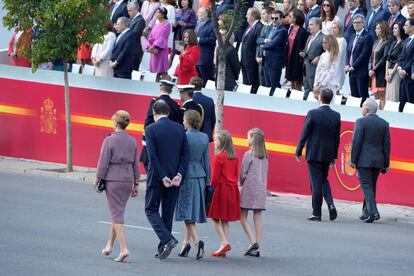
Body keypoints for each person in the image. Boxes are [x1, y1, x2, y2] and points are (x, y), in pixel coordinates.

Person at [144, 99, 190, 260]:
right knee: (167, 214)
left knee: (150, 209)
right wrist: (179, 175)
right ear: (169, 112)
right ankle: (163, 246)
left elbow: (153, 157)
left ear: (154, 112)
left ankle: (167, 240)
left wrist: (163, 176)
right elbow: (186, 155)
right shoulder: (179, 128)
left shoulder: (150, 129)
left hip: (157, 178)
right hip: (175, 178)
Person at [95, 110, 140, 262]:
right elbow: (135, 164)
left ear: (115, 122)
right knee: (118, 213)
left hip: (113, 179)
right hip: (127, 180)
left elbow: (103, 162)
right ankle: (109, 245)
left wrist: (97, 179)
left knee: (117, 214)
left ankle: (123, 248)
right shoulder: (132, 140)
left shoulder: (109, 140)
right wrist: (136, 183)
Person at [296, 88, 340, 221]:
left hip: (314, 153)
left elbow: (304, 134)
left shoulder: (313, 113)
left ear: (320, 98)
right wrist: (334, 156)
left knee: (315, 183)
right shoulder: (336, 115)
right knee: (323, 180)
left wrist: (299, 150)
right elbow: (337, 138)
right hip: (327, 154)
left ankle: (317, 212)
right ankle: (330, 204)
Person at [175, 110, 210, 260]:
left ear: (188, 121)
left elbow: (179, 158)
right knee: (191, 211)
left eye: (184, 119)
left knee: (185, 212)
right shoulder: (204, 137)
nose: (182, 122)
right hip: (200, 176)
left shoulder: (184, 136)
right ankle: (185, 245)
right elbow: (206, 161)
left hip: (187, 176)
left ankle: (197, 242)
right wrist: (207, 180)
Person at [350, 99, 390, 223]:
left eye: (363, 107)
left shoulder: (361, 122)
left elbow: (356, 143)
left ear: (367, 109)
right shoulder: (384, 123)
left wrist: (353, 160)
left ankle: (373, 212)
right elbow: (387, 145)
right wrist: (386, 163)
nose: (362, 109)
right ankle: (365, 212)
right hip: (378, 161)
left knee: (367, 187)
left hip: (364, 160)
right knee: (371, 187)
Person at [208, 130, 240, 257]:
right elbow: (236, 175)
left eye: (217, 140)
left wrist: (211, 189)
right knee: (225, 219)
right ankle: (223, 246)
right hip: (232, 189)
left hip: (221, 189)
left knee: (215, 218)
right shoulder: (235, 157)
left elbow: (214, 178)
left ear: (222, 142)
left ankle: (225, 242)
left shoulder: (219, 156)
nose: (215, 142)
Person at [141, 80, 182, 172]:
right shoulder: (175, 105)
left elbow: (149, 120)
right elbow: (179, 123)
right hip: (170, 139)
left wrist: (145, 139)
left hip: (155, 135)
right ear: (170, 91)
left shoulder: (155, 102)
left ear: (160, 88)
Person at [239, 128, 268, 258]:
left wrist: (241, 183)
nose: (247, 139)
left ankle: (253, 241)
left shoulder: (248, 154)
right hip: (261, 189)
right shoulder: (265, 156)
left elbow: (243, 173)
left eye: (248, 137)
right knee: (258, 217)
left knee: (242, 216)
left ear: (253, 139)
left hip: (250, 187)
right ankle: (258, 245)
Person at [345, 14, 373, 106]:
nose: (355, 24)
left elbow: (364, 54)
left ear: (363, 24)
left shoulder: (367, 36)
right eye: (354, 23)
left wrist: (354, 66)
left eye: (358, 22)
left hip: (361, 71)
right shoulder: (352, 36)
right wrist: (347, 64)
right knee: (354, 95)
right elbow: (348, 51)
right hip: (351, 71)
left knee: (362, 95)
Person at [259, 10, 288, 95]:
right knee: (267, 86)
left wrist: (263, 46)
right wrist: (265, 40)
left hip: (274, 62)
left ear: (281, 19)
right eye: (272, 18)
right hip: (266, 60)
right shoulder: (269, 27)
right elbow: (259, 39)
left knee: (274, 86)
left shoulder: (282, 30)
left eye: (276, 18)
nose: (274, 20)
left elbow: (273, 44)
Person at [300, 17, 324, 98]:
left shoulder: (323, 37)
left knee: (315, 93)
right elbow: (307, 50)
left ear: (318, 26)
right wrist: (303, 53)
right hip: (306, 68)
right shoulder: (310, 37)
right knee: (306, 90)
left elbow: (328, 52)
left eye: (311, 25)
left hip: (315, 70)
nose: (309, 26)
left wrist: (319, 58)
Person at [241, 7, 263, 94]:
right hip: (244, 59)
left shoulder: (259, 27)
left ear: (253, 16)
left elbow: (259, 43)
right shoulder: (249, 27)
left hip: (251, 60)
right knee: (246, 84)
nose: (246, 16)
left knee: (252, 84)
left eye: (248, 14)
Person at [369, 21, 390, 110]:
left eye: (378, 28)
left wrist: (374, 70)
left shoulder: (387, 42)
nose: (375, 30)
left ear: (383, 30)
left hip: (380, 72)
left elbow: (384, 58)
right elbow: (371, 57)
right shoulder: (377, 41)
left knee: (382, 95)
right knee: (376, 95)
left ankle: (383, 113)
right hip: (373, 72)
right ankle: (378, 112)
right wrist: (370, 69)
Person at [285, 10, 308, 91]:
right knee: (291, 79)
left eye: (290, 16)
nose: (289, 18)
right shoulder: (291, 28)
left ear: (295, 18)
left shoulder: (303, 32)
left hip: (297, 59)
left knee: (296, 81)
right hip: (289, 56)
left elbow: (305, 46)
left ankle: (297, 96)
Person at [146, 7, 171, 80]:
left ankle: (166, 86)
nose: (156, 14)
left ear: (163, 14)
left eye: (158, 13)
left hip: (161, 51)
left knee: (162, 70)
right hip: (154, 51)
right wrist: (149, 46)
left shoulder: (167, 25)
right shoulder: (155, 25)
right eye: (156, 12)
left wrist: (153, 46)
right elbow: (151, 37)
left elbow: (162, 38)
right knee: (154, 72)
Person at [190, 77, 216, 142]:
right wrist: (209, 130)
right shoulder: (210, 100)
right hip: (206, 132)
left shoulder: (190, 99)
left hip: (192, 133)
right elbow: (213, 119)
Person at [385, 22, 406, 103]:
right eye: (393, 28)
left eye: (396, 28)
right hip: (389, 71)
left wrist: (391, 74)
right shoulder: (393, 43)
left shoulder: (403, 43)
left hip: (395, 72)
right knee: (388, 96)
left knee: (394, 95)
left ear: (400, 30)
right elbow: (388, 58)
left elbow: (399, 60)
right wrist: (387, 73)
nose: (393, 30)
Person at [195, 7, 216, 86]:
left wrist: (200, 40)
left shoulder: (212, 24)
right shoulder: (198, 24)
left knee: (206, 78)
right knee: (198, 79)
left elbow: (212, 40)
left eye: (200, 12)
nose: (198, 14)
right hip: (197, 56)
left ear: (206, 14)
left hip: (205, 56)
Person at [398, 19, 414, 111]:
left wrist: (405, 70)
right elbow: (400, 56)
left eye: (406, 25)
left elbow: (413, 59)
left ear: (412, 27)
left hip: (409, 76)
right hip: (402, 76)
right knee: (402, 103)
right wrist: (400, 68)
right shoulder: (406, 40)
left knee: (410, 104)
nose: (403, 27)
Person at [256, 6, 274, 87]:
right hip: (260, 58)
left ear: (270, 15)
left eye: (264, 14)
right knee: (261, 81)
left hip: (268, 58)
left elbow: (271, 42)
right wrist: (257, 55)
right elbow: (258, 40)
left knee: (269, 83)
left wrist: (264, 41)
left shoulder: (274, 27)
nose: (262, 16)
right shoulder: (264, 27)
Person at [127, 0, 146, 71]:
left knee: (133, 73)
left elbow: (134, 34)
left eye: (130, 11)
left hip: (134, 52)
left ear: (136, 9)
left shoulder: (140, 20)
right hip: (129, 50)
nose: (128, 13)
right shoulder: (130, 19)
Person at [331, 21, 347, 92]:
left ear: (339, 29)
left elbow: (338, 54)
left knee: (336, 89)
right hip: (329, 67)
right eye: (332, 28)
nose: (333, 29)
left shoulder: (342, 40)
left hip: (337, 68)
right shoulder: (331, 39)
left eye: (335, 28)